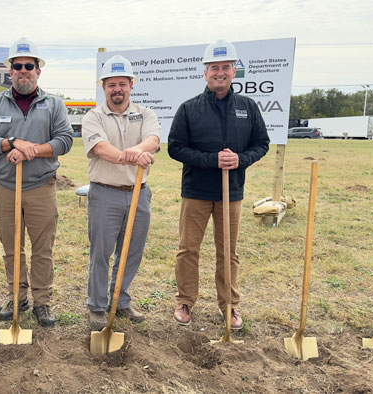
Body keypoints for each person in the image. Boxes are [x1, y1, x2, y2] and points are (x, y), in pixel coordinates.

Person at [168, 39, 270, 329]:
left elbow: (261, 144)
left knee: (228, 251)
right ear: (205, 72)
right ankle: (185, 300)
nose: (220, 72)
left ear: (234, 71)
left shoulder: (248, 107)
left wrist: (241, 159)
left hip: (231, 193)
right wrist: (212, 160)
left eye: (226, 67)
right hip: (196, 192)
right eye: (215, 67)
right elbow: (176, 148)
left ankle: (230, 305)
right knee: (188, 249)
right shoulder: (189, 109)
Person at [0, 37, 73, 327]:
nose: (23, 71)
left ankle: (42, 301)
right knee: (11, 247)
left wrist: (32, 150)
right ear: (10, 71)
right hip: (6, 187)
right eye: (17, 66)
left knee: (42, 248)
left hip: (42, 187)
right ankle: (17, 295)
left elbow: (65, 140)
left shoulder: (53, 103)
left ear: (38, 71)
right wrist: (12, 143)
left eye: (28, 66)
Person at [81, 55, 161, 330]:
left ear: (131, 85)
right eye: (111, 84)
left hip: (139, 192)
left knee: (131, 251)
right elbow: (101, 149)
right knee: (101, 252)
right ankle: (97, 306)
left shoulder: (145, 113)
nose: (117, 89)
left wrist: (136, 152)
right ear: (103, 87)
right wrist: (132, 157)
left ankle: (120, 299)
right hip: (105, 193)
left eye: (122, 84)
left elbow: (153, 140)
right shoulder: (93, 117)